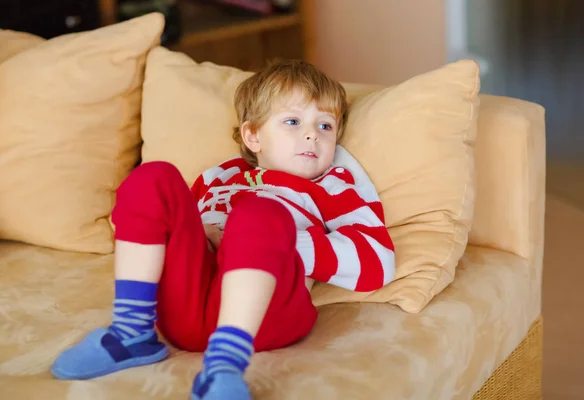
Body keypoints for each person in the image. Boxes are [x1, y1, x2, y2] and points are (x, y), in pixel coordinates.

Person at [50, 60, 396, 399]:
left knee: (259, 213)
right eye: (293, 121)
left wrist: (275, 245)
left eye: (325, 126)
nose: (311, 134)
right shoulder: (218, 178)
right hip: (189, 314)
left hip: (269, 319)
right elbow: (157, 228)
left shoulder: (331, 185)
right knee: (152, 177)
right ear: (253, 135)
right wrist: (204, 233)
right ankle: (131, 332)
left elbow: (377, 262)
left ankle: (225, 364)